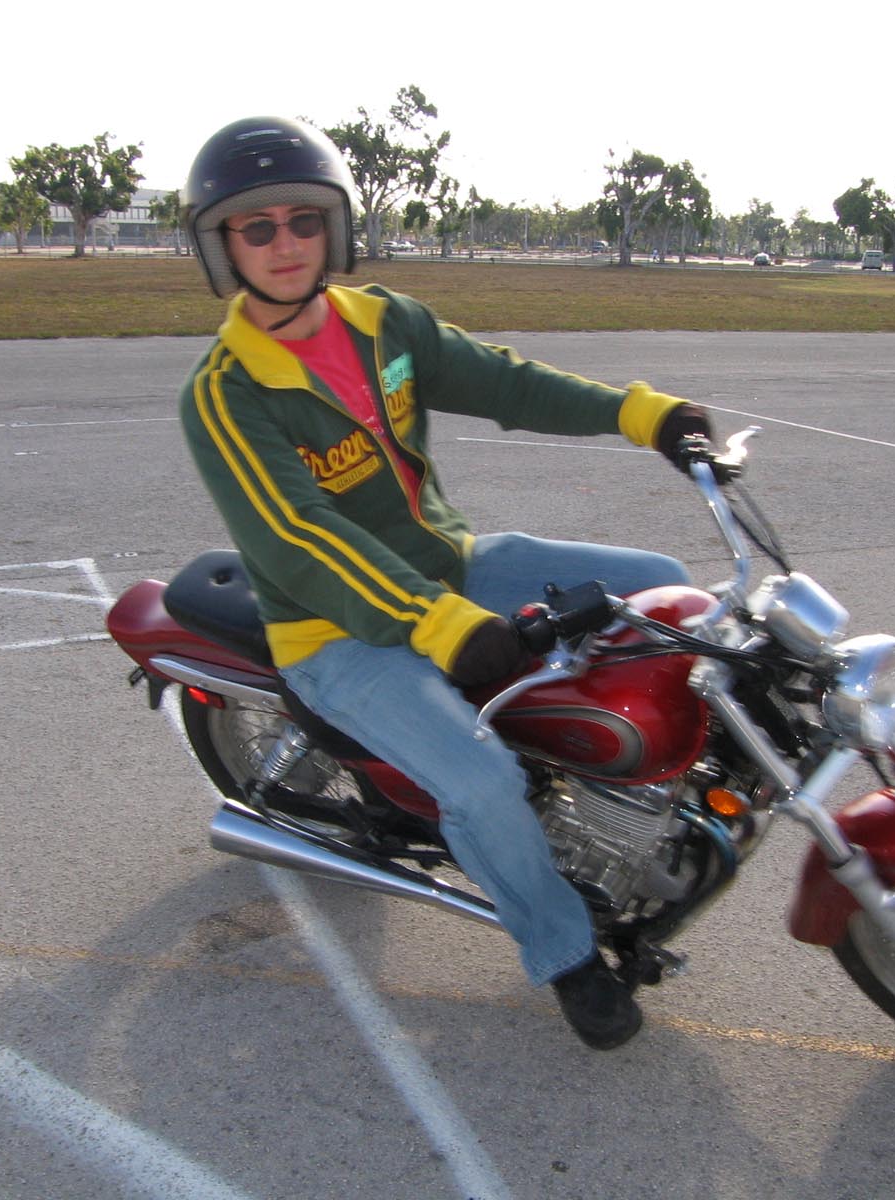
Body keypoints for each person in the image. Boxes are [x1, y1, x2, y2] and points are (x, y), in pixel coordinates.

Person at [176, 116, 715, 1049]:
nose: (284, 243)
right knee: (482, 783)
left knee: (662, 593)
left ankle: (623, 796)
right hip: (335, 634)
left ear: (334, 226)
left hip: (450, 564)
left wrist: (644, 415)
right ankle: (565, 952)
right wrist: (442, 625)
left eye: (302, 219)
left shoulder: (384, 323)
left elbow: (507, 383)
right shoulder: (225, 393)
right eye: (255, 227)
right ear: (222, 246)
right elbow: (303, 538)